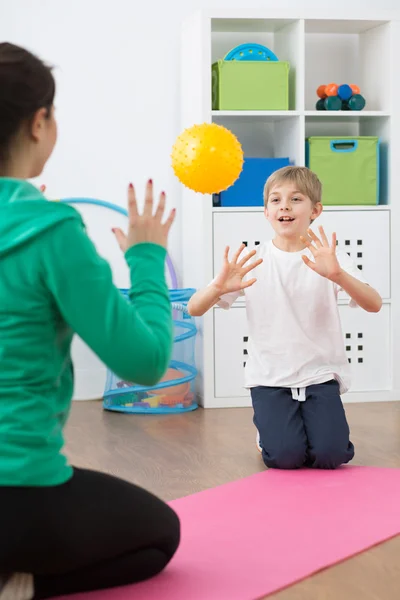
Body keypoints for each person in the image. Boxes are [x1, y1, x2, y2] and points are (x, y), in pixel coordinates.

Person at [0, 42, 180, 600]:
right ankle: (21, 582)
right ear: (39, 121)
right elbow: (146, 363)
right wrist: (146, 257)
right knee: (159, 535)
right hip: (17, 490)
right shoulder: (52, 231)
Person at [188, 166, 382, 471]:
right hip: (269, 378)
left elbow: (373, 304)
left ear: (316, 210)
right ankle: (269, 435)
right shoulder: (253, 261)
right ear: (266, 212)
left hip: (320, 375)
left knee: (330, 456)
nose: (285, 207)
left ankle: (309, 432)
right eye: (276, 200)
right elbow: (194, 309)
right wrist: (218, 288)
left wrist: (338, 275)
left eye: (296, 199)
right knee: (285, 457)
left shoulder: (328, 259)